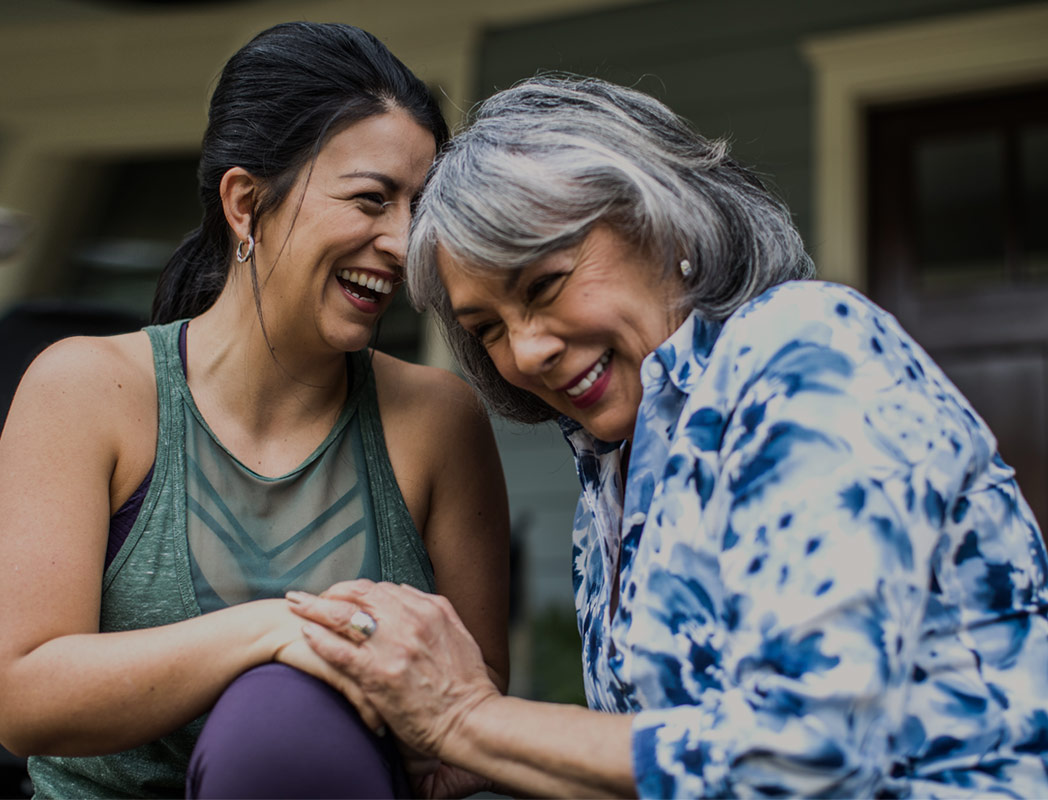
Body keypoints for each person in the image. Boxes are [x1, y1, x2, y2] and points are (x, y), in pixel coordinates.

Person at [288, 75, 1048, 798]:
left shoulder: (803, 354)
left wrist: (470, 721)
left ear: (662, 218)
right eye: (486, 329)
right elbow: (680, 749)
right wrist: (494, 756)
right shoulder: (617, 463)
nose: (525, 353)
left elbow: (805, 753)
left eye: (546, 283)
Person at [0, 22, 509, 799]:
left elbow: (475, 696)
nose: (403, 243)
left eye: (418, 210)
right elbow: (22, 695)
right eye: (371, 199)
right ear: (246, 203)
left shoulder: (439, 420)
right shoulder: (88, 390)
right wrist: (280, 632)